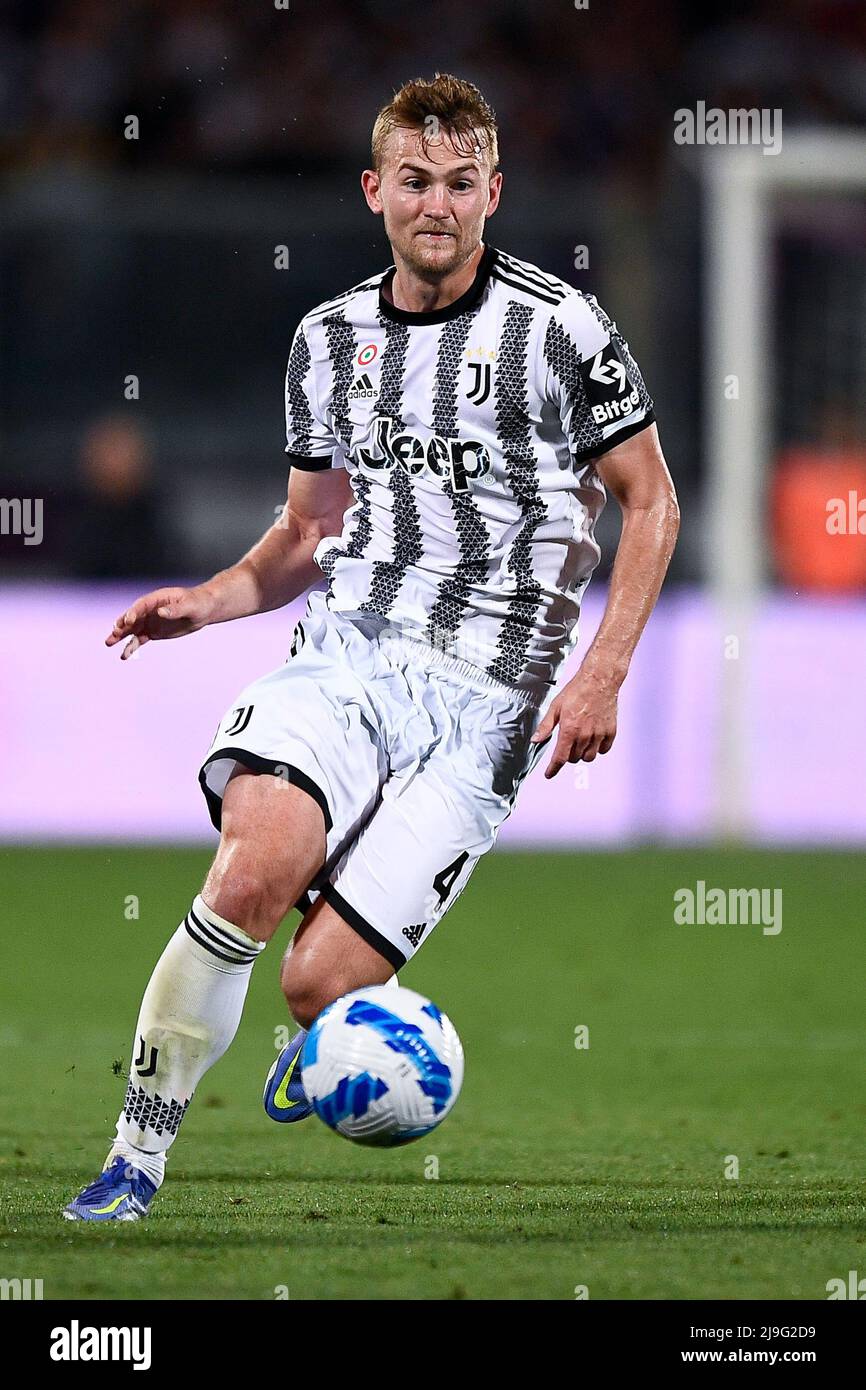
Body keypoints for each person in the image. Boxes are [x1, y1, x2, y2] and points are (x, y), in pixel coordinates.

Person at [65, 73, 679, 1222]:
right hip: (348, 655)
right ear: (374, 191)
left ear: (492, 192)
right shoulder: (327, 338)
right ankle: (133, 1159)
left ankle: (324, 1026)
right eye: (412, 180)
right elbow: (309, 529)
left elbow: (649, 501)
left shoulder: (560, 329)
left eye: (457, 182)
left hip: (488, 706)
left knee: (318, 985)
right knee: (252, 871)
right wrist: (206, 600)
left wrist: (601, 668)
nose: (433, 204)